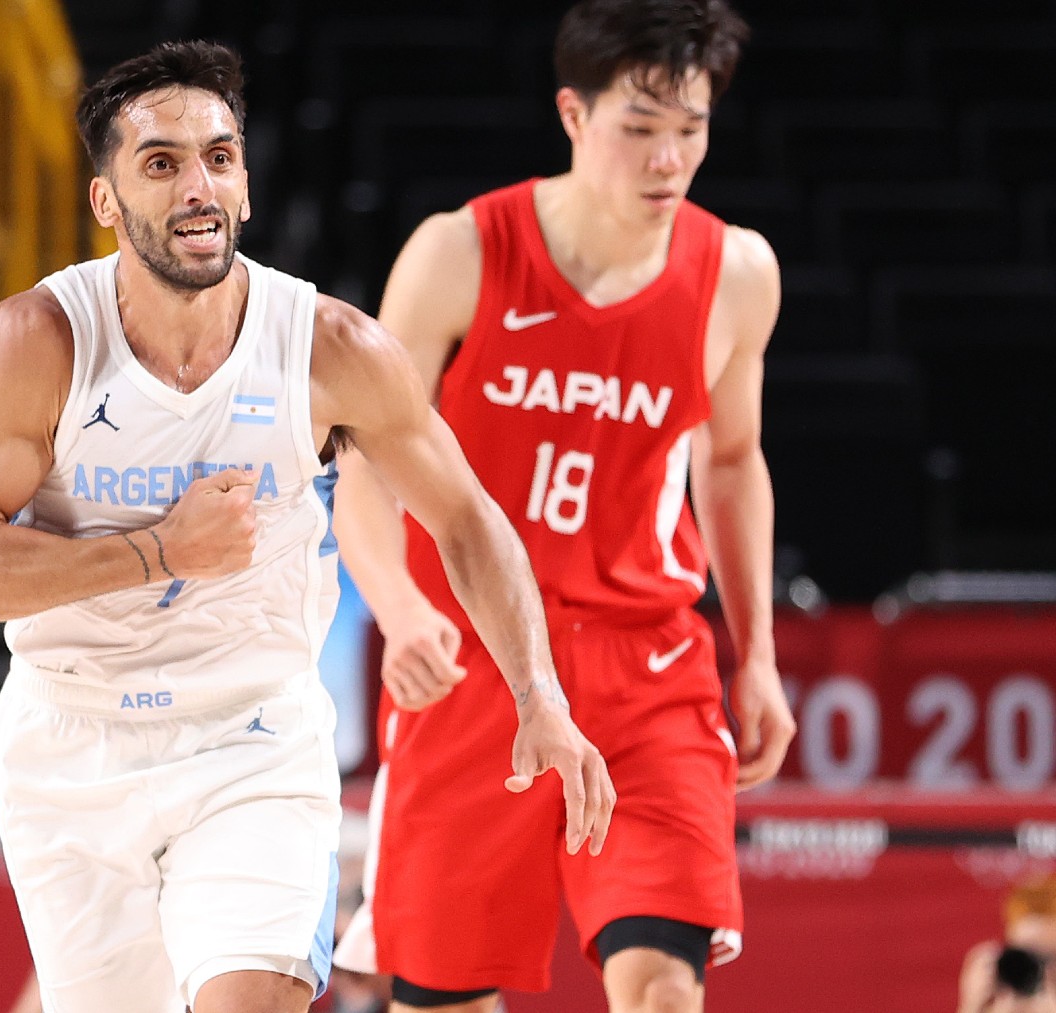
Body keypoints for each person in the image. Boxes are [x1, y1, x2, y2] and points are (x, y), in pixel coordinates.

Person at [0, 40, 614, 1013]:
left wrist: (540, 693)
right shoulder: (39, 341)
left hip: (252, 734)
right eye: (161, 163)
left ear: (244, 183)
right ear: (105, 200)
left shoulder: (330, 346)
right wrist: (159, 550)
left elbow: (467, 518)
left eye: (220, 157)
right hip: (71, 740)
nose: (197, 185)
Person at [330, 2, 795, 1011]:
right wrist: (400, 608)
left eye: (692, 129)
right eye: (641, 127)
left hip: (649, 660)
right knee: (444, 1000)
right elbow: (363, 461)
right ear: (574, 115)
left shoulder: (739, 273)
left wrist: (754, 649)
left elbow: (732, 460)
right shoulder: (461, 252)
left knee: (665, 988)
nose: (669, 159)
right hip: (473, 655)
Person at [960, 875, 1056, 1013]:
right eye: (1027, 957)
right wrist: (972, 1006)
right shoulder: (1002, 996)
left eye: (1050, 958)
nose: (1040, 970)